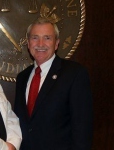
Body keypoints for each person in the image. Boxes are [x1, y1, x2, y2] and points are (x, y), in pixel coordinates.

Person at [14, 17, 93, 150]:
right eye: (35, 38)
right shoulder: (22, 77)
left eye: (47, 38)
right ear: (28, 43)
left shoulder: (74, 74)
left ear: (56, 43)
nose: (40, 43)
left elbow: (82, 128)